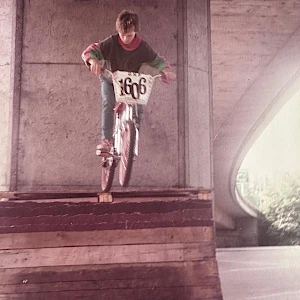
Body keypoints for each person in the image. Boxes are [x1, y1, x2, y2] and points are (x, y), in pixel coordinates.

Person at [82, 9, 176, 152]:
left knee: (139, 107)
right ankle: (106, 140)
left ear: (136, 32)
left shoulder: (142, 47)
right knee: (108, 102)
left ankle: (133, 140)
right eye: (123, 35)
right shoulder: (112, 42)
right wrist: (93, 61)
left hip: (131, 83)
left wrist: (166, 71)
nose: (126, 39)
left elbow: (157, 61)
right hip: (110, 80)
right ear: (118, 32)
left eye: (130, 35)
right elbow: (93, 50)